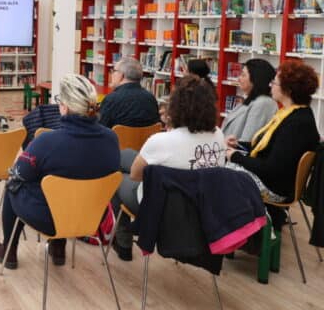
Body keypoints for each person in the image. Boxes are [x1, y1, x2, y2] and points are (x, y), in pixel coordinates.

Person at [0, 74, 120, 269]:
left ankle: (9, 251)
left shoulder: (46, 141)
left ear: (65, 107)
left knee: (14, 185)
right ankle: (58, 248)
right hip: (91, 217)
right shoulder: (111, 139)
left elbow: (19, 173)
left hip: (50, 220)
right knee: (68, 182)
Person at [112, 75, 226, 261]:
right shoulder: (218, 135)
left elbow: (135, 175)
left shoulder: (162, 140)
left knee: (117, 177)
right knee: (126, 155)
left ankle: (123, 243)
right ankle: (122, 239)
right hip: (201, 205)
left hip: (161, 207)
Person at [227, 59, 320, 207]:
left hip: (275, 188)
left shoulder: (296, 124)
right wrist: (239, 145)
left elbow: (271, 169)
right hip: (274, 181)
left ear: (288, 89)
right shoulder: (293, 113)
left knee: (216, 174)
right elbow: (268, 148)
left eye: (274, 83)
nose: (270, 86)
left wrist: (235, 156)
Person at [221, 59, 277, 145]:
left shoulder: (263, 103)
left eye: (243, 75)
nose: (239, 78)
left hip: (236, 155)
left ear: (256, 79)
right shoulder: (250, 99)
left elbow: (248, 142)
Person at [98, 56, 160, 128]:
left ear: (121, 75)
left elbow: (101, 128)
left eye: (114, 71)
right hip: (146, 139)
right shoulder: (151, 98)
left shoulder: (111, 99)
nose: (111, 74)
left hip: (119, 139)